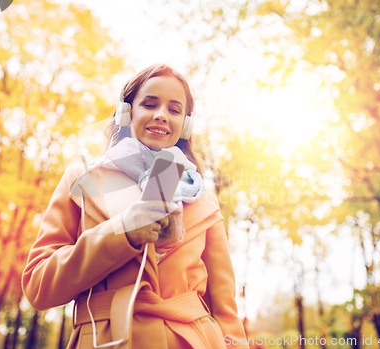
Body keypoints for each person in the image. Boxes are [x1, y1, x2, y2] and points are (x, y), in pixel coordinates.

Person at [22, 63, 248, 349]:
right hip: (107, 339)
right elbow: (38, 286)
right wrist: (122, 231)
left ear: (185, 125)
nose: (161, 115)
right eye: (149, 104)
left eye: (175, 110)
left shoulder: (204, 200)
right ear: (126, 113)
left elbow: (226, 311)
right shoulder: (81, 180)